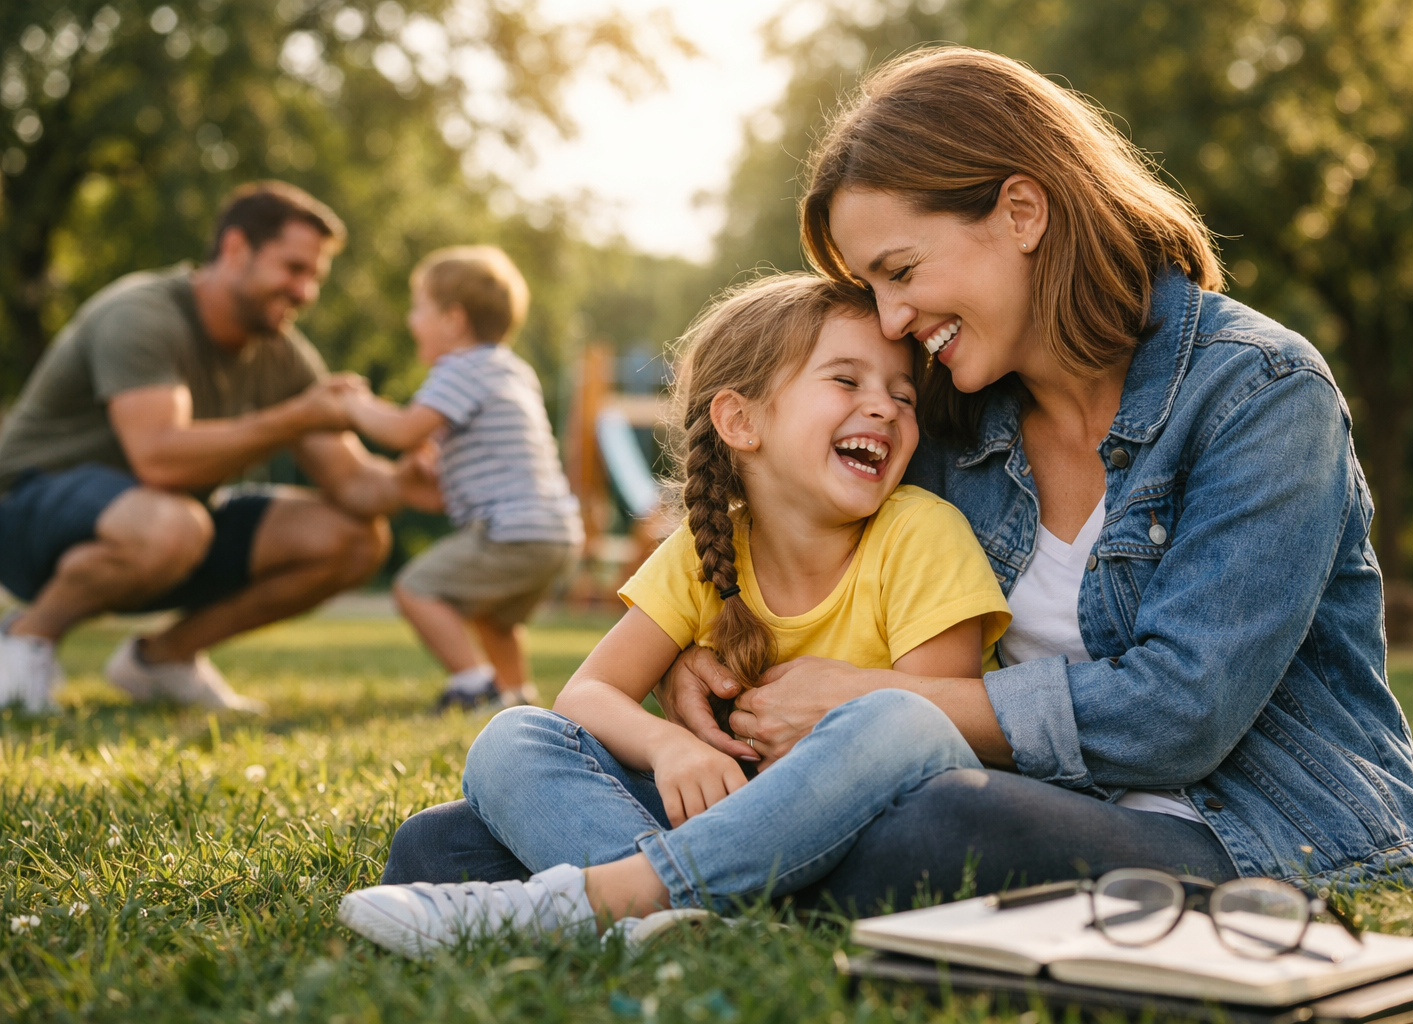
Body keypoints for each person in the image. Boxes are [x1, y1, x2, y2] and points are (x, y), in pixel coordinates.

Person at [379, 47, 1413, 911]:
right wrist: (719, 652)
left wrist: (877, 698)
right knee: (447, 836)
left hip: (1227, 819)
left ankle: (646, 885)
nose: (894, 325)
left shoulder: (1260, 393)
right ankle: (678, 891)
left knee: (942, 829)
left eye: (900, 273)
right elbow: (813, 548)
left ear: (1022, 213)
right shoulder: (946, 412)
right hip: (988, 787)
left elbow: (1179, 715)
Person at [337, 273, 1012, 955]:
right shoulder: (703, 547)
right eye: (847, 381)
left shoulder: (922, 532)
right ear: (740, 421)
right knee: (509, 741)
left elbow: (938, 729)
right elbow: (586, 696)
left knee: (893, 717)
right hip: (729, 818)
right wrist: (669, 746)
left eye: (902, 393)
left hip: (873, 823)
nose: (887, 407)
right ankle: (670, 921)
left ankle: (612, 901)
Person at [0, 181, 436, 714]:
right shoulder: (143, 314)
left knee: (355, 538)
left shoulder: (282, 351)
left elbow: (352, 483)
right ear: (235, 249)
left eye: (314, 277)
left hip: (168, 524)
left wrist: (404, 482)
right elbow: (157, 457)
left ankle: (160, 662)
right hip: (26, 512)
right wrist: (293, 417)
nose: (305, 292)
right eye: (293, 269)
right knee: (174, 525)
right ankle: (25, 639)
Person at [340, 246, 583, 711]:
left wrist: (356, 405)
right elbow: (482, 457)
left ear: (453, 320)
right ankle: (516, 698)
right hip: (555, 532)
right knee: (495, 617)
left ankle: (473, 685)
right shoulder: (511, 369)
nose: (412, 321)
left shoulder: (460, 367)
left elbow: (403, 429)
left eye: (419, 309)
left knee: (415, 588)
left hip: (511, 531)